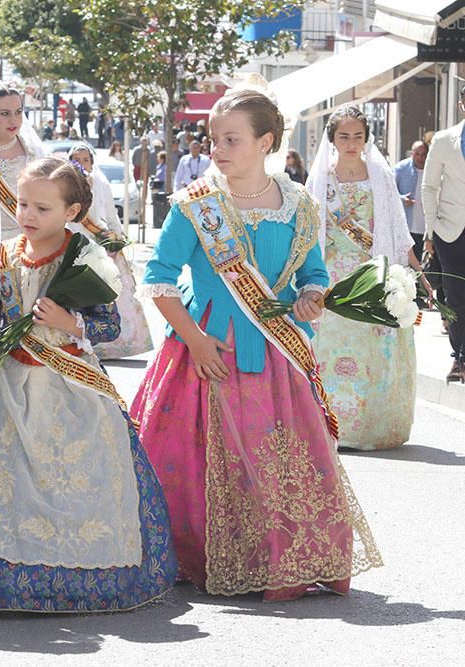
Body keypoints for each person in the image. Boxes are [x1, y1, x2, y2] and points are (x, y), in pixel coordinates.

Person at [132, 86, 382, 601]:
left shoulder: (299, 206)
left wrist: (312, 297)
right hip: (207, 348)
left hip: (275, 351)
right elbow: (158, 278)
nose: (217, 149)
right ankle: (203, 552)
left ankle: (283, 556)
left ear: (265, 141)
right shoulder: (194, 205)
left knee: (279, 458)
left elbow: (314, 273)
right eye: (212, 139)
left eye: (231, 139)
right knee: (201, 458)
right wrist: (196, 340)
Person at [0, 156, 177, 612]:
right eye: (22, 204)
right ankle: (12, 583)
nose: (27, 216)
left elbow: (110, 326)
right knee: (13, 479)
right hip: (13, 387)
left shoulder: (85, 257)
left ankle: (93, 578)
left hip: (71, 383)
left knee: (83, 476)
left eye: (42, 208)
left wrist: (70, 321)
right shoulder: (2, 255)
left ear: (72, 212)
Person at [307, 106, 424, 451]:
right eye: (344, 136)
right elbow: (309, 229)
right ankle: (331, 422)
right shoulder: (321, 180)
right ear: (332, 139)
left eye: (358, 136)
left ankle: (370, 424)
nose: (351, 143)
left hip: (371, 273)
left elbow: (397, 230)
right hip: (331, 277)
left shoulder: (380, 175)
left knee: (374, 348)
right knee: (329, 348)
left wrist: (414, 271)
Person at [68, 143, 153, 358]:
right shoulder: (66, 184)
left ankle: (113, 342)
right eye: (77, 160)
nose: (82, 164)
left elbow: (110, 214)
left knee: (111, 294)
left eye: (86, 159)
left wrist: (117, 237)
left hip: (99, 243)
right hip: (75, 243)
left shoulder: (101, 183)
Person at [0, 80, 44, 240]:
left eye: (18, 112)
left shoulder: (33, 150)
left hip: (31, 239)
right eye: (5, 114)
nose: (14, 120)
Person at [395, 140, 429, 263]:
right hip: (407, 226)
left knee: (422, 263)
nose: (420, 158)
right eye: (417, 154)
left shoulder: (433, 169)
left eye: (424, 154)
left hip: (427, 228)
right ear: (412, 154)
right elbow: (390, 193)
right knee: (406, 262)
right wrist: (402, 198)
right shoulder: (400, 169)